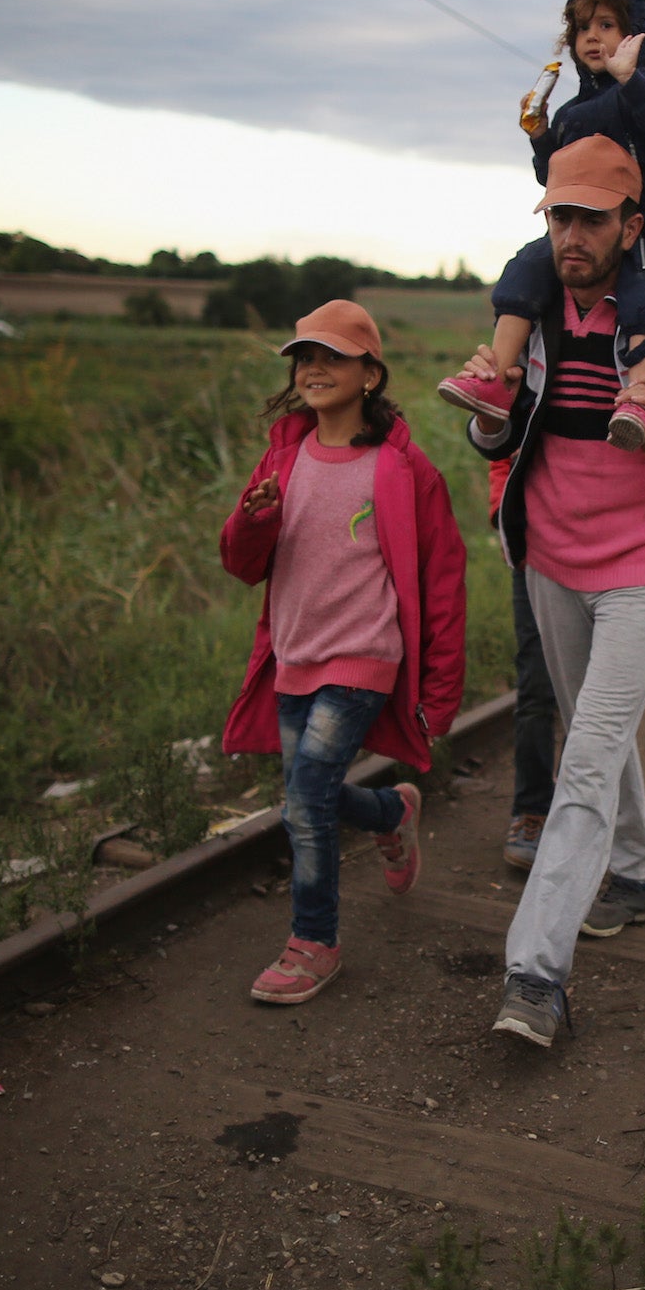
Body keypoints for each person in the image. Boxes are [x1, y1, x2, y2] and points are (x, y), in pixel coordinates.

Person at [456, 135, 645, 1047]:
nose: (572, 234)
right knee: (597, 723)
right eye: (559, 216)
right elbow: (500, 445)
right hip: (551, 553)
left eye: (592, 217)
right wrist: (489, 426)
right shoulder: (534, 312)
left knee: (583, 755)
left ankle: (535, 974)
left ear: (633, 226)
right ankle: (634, 875)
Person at [219, 300, 468, 1006]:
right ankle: (391, 813)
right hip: (295, 654)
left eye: (333, 356)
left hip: (364, 658)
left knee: (302, 802)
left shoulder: (402, 471)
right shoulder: (283, 456)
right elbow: (241, 564)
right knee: (313, 794)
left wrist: (441, 688)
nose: (315, 368)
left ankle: (314, 943)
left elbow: (443, 578)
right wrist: (253, 517)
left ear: (370, 373)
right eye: (305, 356)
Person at [437, 0, 645, 456]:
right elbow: (552, 179)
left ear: (639, 33)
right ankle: (495, 376)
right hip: (581, 227)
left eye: (608, 25)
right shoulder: (573, 112)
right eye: (582, 29)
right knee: (525, 270)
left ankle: (640, 396)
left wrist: (630, 77)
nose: (593, 38)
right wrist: (539, 135)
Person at [489, 457, 556, 871]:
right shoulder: (525, 389)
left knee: (595, 698)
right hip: (536, 548)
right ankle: (532, 811)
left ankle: (586, 817)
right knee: (536, 687)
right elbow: (503, 451)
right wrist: (505, 513)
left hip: (609, 553)